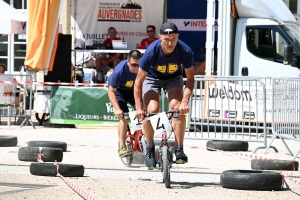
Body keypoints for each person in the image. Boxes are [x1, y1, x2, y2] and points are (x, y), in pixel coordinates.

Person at [134, 22, 195, 169]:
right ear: (160, 37)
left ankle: (179, 149)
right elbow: (138, 82)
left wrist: (185, 101)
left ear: (177, 37)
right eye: (166, 39)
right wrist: (138, 107)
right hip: (152, 78)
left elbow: (191, 79)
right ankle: (149, 148)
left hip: (173, 79)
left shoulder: (185, 50)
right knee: (152, 109)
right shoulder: (151, 51)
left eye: (173, 39)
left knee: (177, 108)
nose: (170, 43)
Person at [107, 50, 142, 157]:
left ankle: (141, 138)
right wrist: (117, 109)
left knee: (143, 113)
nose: (136, 68)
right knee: (124, 117)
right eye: (133, 65)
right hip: (119, 92)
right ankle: (122, 146)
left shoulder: (143, 69)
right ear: (128, 62)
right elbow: (111, 91)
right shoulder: (120, 71)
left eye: (138, 65)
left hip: (133, 92)